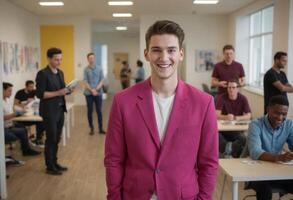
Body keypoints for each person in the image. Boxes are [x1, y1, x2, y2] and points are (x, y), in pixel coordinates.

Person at [105, 20, 218, 200]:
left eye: (171, 50)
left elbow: (209, 163)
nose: (164, 57)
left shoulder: (203, 103)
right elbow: (114, 159)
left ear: (181, 54)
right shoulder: (122, 101)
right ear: (147, 54)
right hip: (135, 194)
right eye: (156, 50)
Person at [248, 95, 293, 200]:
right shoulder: (256, 124)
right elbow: (255, 152)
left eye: (284, 114)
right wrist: (279, 157)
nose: (280, 117)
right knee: (265, 191)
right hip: (255, 172)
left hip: (278, 172)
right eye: (277, 113)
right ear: (268, 109)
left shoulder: (289, 125)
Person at [36, 47, 73, 175]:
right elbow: (40, 94)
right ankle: (49, 166)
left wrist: (68, 89)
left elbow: (62, 89)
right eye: (56, 59)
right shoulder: (42, 74)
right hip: (49, 111)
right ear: (49, 59)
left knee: (57, 138)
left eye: (60, 59)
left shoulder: (60, 72)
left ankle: (55, 162)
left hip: (60, 109)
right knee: (51, 138)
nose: (59, 62)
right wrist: (59, 92)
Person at [3, 82, 40, 156]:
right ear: (2, 91)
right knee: (22, 130)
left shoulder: (6, 101)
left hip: (10, 124)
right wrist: (15, 114)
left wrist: (20, 111)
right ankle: (26, 150)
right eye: (9, 91)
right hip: (4, 128)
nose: (11, 93)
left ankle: (27, 148)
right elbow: (3, 117)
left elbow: (12, 109)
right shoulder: (2, 102)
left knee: (23, 129)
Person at [216, 80, 251, 157]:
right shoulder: (222, 97)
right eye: (229, 87)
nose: (231, 89)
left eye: (233, 87)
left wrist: (237, 117)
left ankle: (229, 151)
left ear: (237, 89)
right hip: (223, 129)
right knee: (215, 135)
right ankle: (230, 150)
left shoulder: (243, 98)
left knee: (243, 138)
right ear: (227, 88)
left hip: (236, 129)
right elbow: (216, 114)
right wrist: (226, 117)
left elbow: (248, 115)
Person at [14, 80, 45, 147]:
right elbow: (15, 104)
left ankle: (38, 139)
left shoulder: (34, 91)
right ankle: (25, 142)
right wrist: (26, 103)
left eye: (33, 86)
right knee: (21, 125)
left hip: (31, 114)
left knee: (41, 122)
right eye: (30, 87)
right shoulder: (20, 93)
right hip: (23, 116)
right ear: (26, 86)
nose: (32, 88)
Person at [83, 53, 106, 135]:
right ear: (87, 59)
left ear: (94, 58)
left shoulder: (99, 68)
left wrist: (96, 89)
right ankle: (91, 128)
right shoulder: (86, 69)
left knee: (99, 111)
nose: (91, 59)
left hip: (98, 93)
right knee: (90, 111)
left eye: (92, 58)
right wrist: (91, 90)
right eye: (90, 58)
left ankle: (100, 128)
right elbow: (85, 81)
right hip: (88, 94)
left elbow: (102, 80)